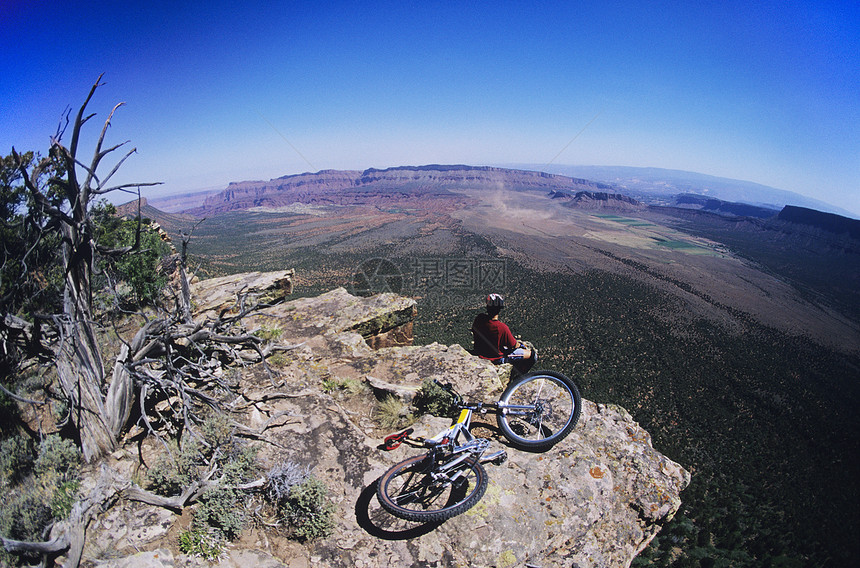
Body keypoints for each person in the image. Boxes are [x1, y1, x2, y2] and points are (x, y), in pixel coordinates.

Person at [471, 293, 536, 375]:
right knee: (533, 355)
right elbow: (513, 345)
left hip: (480, 352)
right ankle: (519, 377)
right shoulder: (501, 327)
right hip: (496, 358)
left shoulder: (479, 318)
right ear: (499, 309)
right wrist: (521, 345)